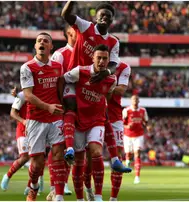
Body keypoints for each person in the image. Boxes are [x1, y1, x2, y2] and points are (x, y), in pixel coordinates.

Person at [61, 1, 130, 175]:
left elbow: (114, 63)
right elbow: (65, 15)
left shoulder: (113, 41)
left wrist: (106, 71)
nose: (105, 17)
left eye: (108, 15)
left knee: (102, 115)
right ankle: (68, 150)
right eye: (102, 14)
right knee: (70, 107)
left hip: (93, 84)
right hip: (75, 78)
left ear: (112, 20)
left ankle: (114, 159)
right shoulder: (86, 26)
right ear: (96, 16)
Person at [60, 44, 116, 201]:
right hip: (78, 119)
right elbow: (62, 79)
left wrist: (99, 105)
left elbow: (109, 96)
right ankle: (79, 198)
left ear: (108, 60)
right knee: (78, 161)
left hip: (96, 120)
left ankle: (98, 196)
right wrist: (63, 101)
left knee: (96, 152)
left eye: (105, 58)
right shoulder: (80, 71)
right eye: (99, 58)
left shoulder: (112, 79)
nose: (102, 61)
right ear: (93, 58)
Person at [20, 32, 66, 201]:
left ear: (50, 47)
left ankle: (57, 192)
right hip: (36, 118)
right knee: (38, 164)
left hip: (55, 118)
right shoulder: (27, 67)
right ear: (35, 46)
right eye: (39, 40)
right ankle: (33, 186)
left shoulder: (57, 67)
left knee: (58, 154)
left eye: (46, 41)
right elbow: (28, 95)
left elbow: (61, 90)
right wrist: (48, 107)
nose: (42, 43)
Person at [84, 59, 131, 201]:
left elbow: (121, 89)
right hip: (92, 114)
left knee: (118, 155)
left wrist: (101, 85)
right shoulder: (92, 63)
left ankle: (113, 198)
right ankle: (88, 189)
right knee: (90, 157)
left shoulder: (123, 67)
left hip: (114, 116)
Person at [46, 24, 77, 200]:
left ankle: (62, 183)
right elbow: (57, 80)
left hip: (80, 105)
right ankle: (55, 185)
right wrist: (59, 102)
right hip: (63, 104)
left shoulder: (85, 52)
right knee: (59, 145)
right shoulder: (60, 54)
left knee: (73, 146)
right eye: (75, 31)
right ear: (68, 34)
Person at [0, 88, 33, 195]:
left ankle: (30, 186)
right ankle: (8, 176)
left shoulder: (42, 92)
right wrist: (23, 121)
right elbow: (13, 113)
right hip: (23, 130)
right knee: (24, 158)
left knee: (37, 160)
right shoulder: (22, 95)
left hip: (36, 130)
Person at [123, 95, 149, 184]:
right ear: (131, 101)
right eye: (133, 99)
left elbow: (145, 122)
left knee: (137, 153)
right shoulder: (126, 110)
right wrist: (127, 126)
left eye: (137, 99)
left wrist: (148, 126)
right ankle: (127, 161)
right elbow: (122, 123)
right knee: (128, 155)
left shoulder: (143, 110)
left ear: (139, 101)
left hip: (139, 135)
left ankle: (137, 176)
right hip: (127, 136)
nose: (135, 101)